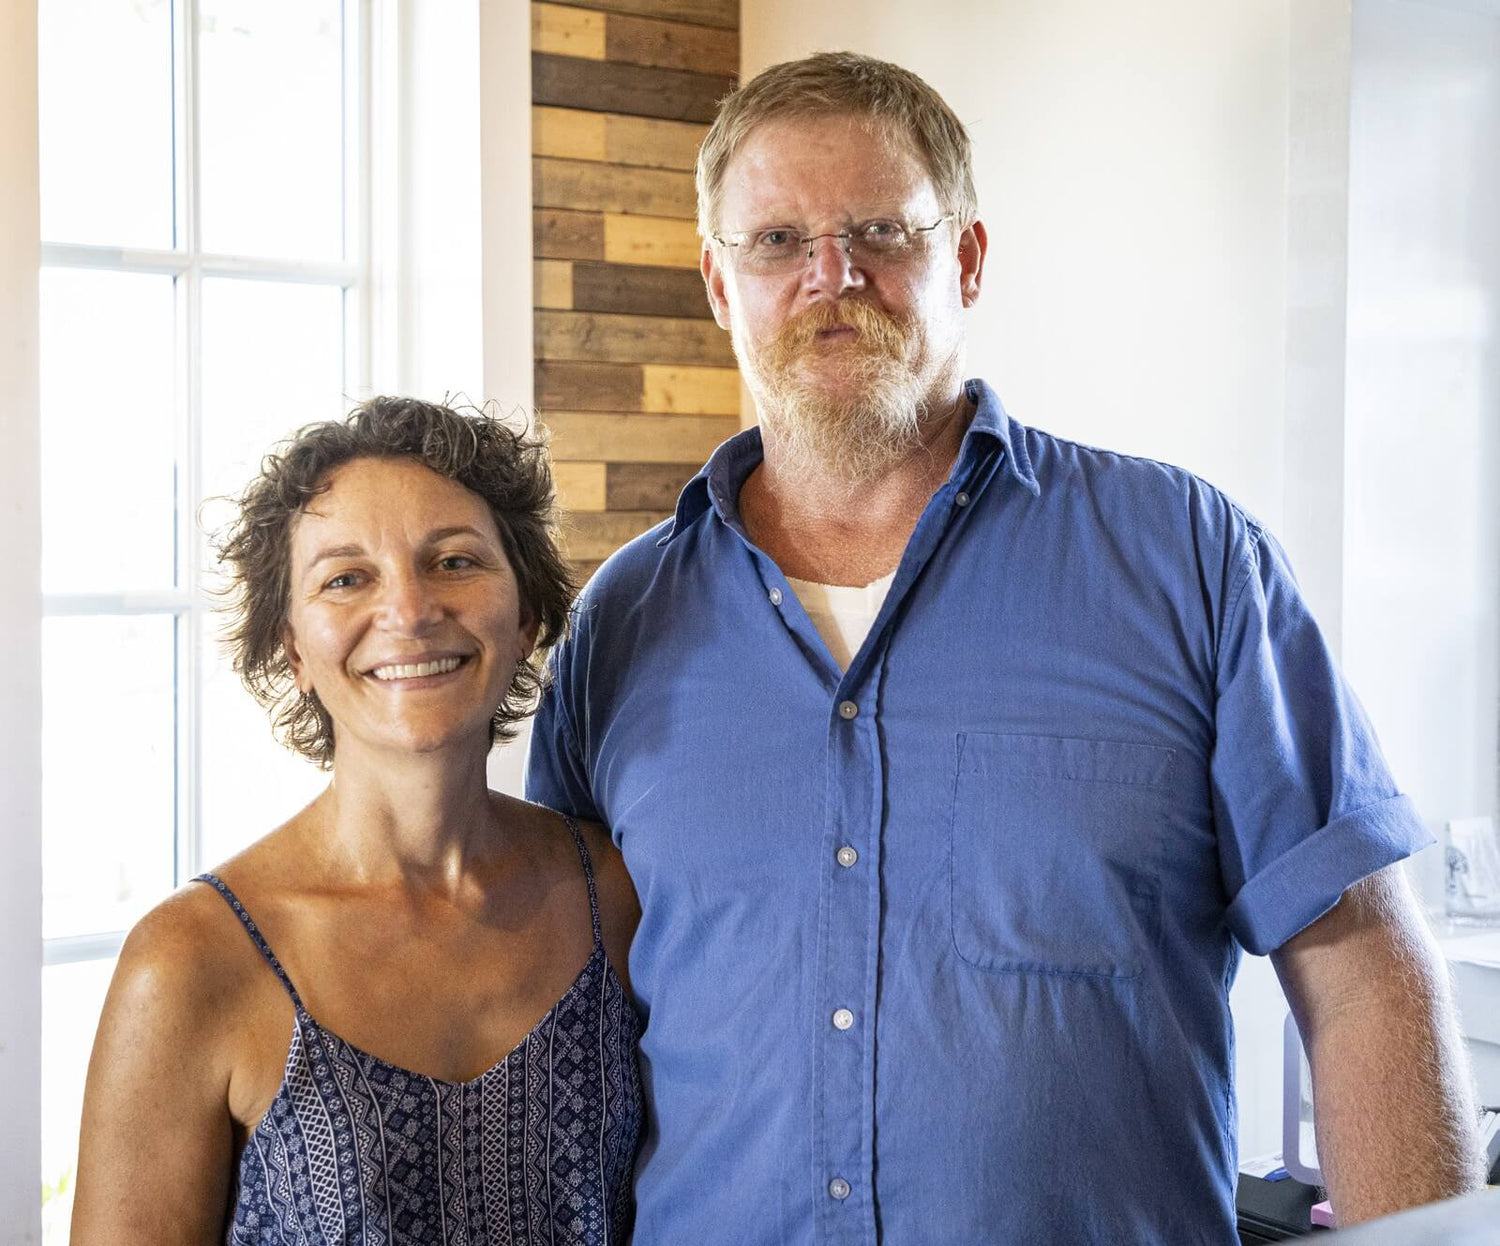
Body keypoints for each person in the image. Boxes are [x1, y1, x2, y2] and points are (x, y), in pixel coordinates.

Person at [525, 52, 1485, 1243]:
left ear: (967, 258)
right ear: (719, 283)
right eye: (778, 242)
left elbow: (1362, 972)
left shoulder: (1185, 560)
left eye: (881, 228)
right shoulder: (623, 621)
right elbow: (572, 1042)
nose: (835, 276)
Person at [72, 397, 642, 1245]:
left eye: (453, 561)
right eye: (346, 577)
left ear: (525, 618)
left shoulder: (622, 897)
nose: (409, 611)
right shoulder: (189, 964)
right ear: (294, 649)